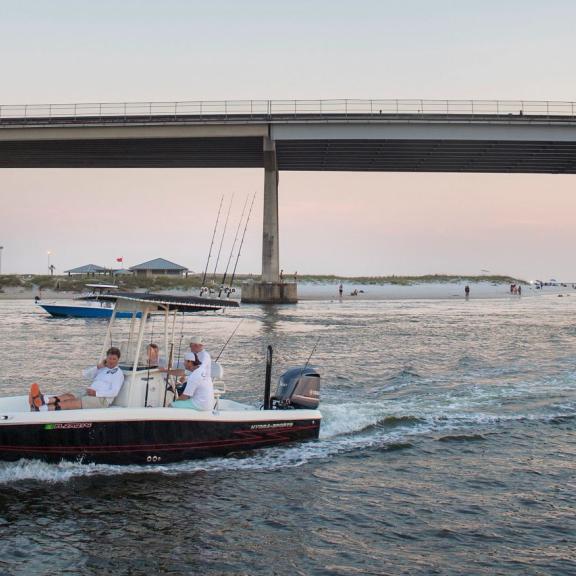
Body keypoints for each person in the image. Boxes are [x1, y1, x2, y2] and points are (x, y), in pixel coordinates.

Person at [29, 347, 124, 411]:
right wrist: (98, 367)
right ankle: (43, 400)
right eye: (109, 358)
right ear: (106, 358)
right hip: (90, 392)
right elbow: (85, 374)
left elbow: (114, 392)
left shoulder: (118, 374)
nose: (111, 361)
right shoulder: (102, 367)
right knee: (69, 395)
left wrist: (96, 393)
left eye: (114, 359)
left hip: (102, 399)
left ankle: (41, 408)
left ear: (118, 360)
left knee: (71, 402)